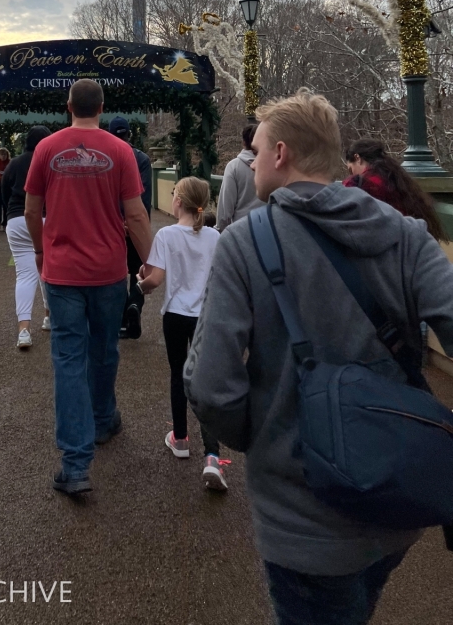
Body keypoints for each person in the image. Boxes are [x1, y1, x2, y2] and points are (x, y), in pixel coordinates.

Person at [184, 88, 453, 625]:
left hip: (303, 519)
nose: (254, 161)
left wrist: (263, 435)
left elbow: (211, 384)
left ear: (280, 153)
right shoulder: (405, 234)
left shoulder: (242, 243)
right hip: (397, 497)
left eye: (257, 150)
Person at [24, 79, 152, 496]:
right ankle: (103, 419)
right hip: (109, 271)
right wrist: (153, 262)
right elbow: (135, 216)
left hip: (62, 274)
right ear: (101, 106)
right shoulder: (121, 152)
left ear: (68, 106)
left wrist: (42, 253)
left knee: (68, 359)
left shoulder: (46, 149)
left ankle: (75, 464)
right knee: (104, 350)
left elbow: (31, 209)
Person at [138, 176, 228, 489]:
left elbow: (155, 279)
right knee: (206, 379)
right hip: (205, 315)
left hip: (176, 314)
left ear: (178, 201)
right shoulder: (215, 237)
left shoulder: (166, 235)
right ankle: (213, 456)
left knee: (179, 374)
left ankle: (180, 437)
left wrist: (141, 284)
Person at [2, 125, 52, 350]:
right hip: (43, 219)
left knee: (24, 275)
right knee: (48, 271)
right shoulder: (50, 163)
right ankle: (49, 317)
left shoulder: (14, 163)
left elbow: (4, 191)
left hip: (16, 220)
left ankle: (23, 330)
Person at [343, 138, 446, 241]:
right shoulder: (398, 181)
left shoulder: (361, 184)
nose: (352, 174)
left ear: (357, 158)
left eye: (351, 169)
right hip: (409, 243)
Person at [107, 115, 152, 340]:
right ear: (129, 134)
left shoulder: (105, 158)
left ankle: (122, 317)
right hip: (134, 223)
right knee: (138, 270)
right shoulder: (141, 159)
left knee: (115, 273)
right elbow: (143, 196)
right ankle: (134, 303)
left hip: (111, 225)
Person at [216, 122, 263, 231]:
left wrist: (220, 229)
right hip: (266, 229)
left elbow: (225, 206)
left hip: (240, 230)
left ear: (243, 142)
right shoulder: (271, 165)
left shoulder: (234, 166)